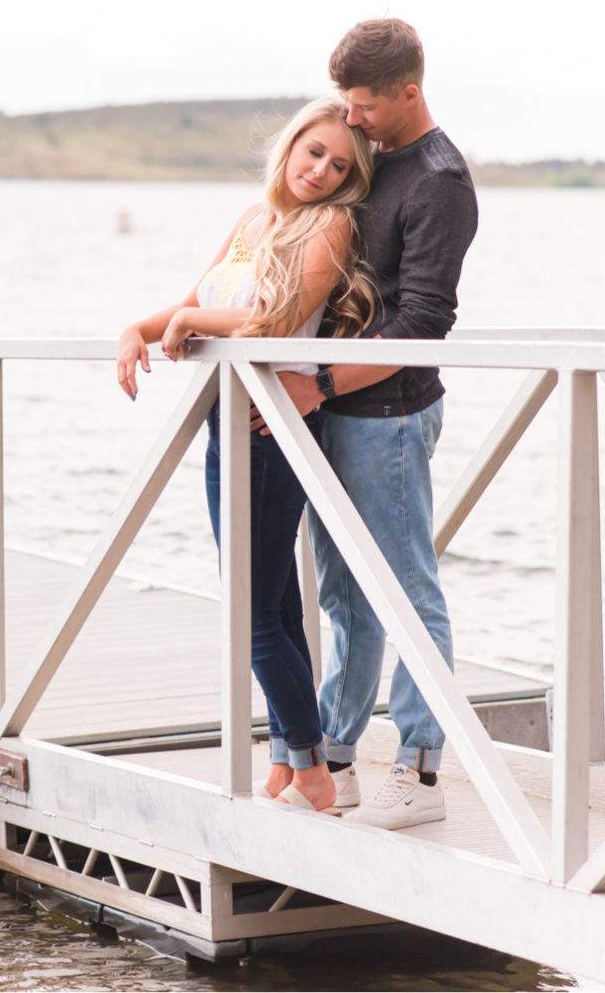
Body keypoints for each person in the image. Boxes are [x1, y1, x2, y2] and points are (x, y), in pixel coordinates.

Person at [116, 97, 376, 812]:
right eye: (314, 151)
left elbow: (277, 319)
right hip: (223, 422)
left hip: (271, 428)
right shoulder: (255, 218)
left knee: (251, 611)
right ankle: (293, 763)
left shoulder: (332, 226)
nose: (321, 170)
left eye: (340, 165)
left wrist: (196, 321)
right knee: (274, 605)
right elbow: (195, 297)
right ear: (290, 146)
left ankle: (316, 773)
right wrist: (138, 328)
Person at [272, 19, 478, 829]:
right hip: (326, 409)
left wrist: (320, 381)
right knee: (343, 598)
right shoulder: (374, 158)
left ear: (408, 93)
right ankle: (339, 758)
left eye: (362, 105)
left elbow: (425, 321)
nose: (348, 119)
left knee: (405, 592)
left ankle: (420, 771)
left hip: (387, 415)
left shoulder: (439, 179)